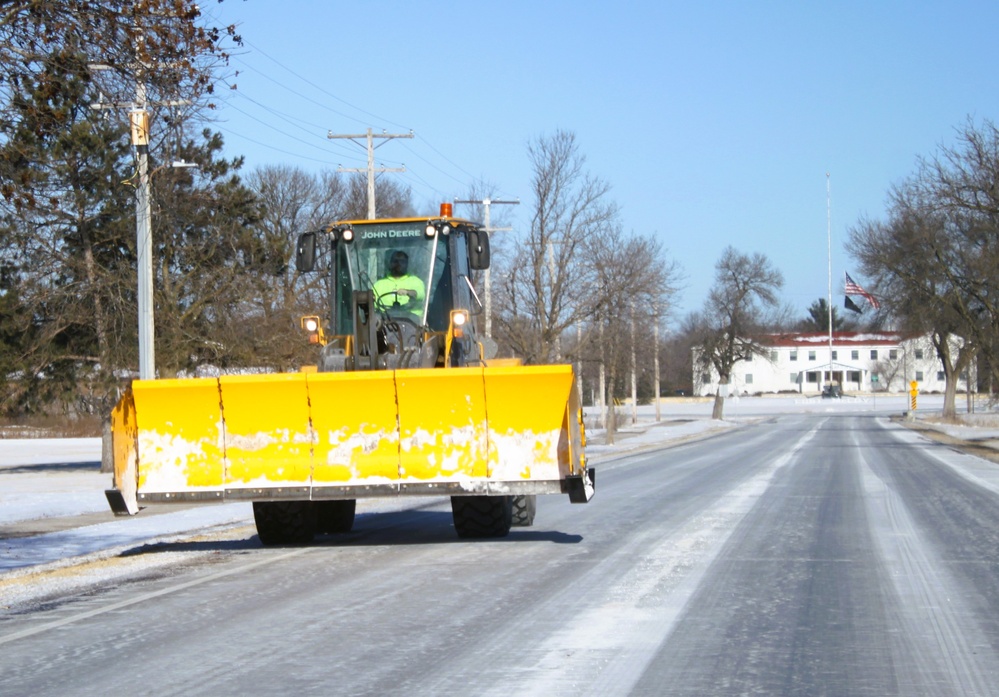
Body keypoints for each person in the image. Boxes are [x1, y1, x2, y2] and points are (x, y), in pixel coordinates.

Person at [372, 250, 425, 317]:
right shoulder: (378, 285)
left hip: (413, 323)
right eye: (395, 261)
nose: (398, 264)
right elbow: (371, 304)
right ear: (390, 263)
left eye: (402, 262)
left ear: (407, 264)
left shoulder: (416, 281)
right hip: (384, 323)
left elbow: (420, 295)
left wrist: (408, 292)